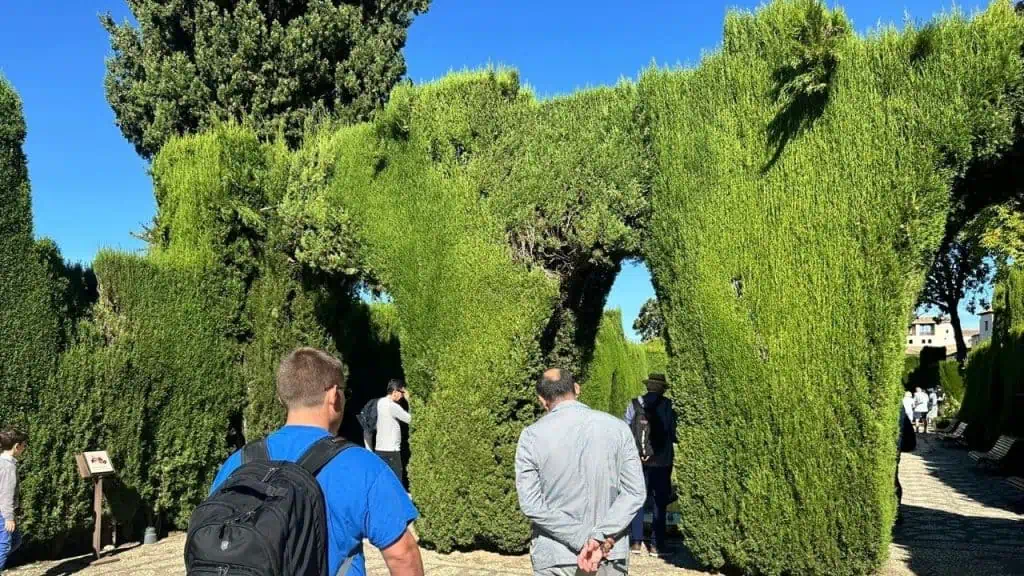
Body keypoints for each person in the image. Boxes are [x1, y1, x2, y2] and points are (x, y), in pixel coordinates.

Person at [209, 348, 423, 576]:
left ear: (283, 398)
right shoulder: (361, 466)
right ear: (333, 396)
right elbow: (402, 556)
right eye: (344, 392)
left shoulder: (237, 463)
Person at [515, 368, 646, 576]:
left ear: (542, 399)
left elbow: (531, 503)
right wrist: (599, 537)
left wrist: (582, 537)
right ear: (577, 389)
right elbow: (635, 492)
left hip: (555, 554)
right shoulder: (619, 429)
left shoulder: (531, 436)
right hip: (608, 552)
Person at [624, 373, 677, 557]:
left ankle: (636, 542)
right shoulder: (668, 405)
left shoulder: (634, 404)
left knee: (637, 498)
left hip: (638, 461)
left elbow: (626, 431)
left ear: (648, 387)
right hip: (662, 461)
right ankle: (656, 545)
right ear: (662, 388)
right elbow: (673, 432)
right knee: (659, 502)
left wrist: (639, 453)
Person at [376, 379, 411, 485]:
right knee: (396, 483)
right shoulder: (392, 406)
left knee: (383, 481)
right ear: (395, 392)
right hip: (391, 450)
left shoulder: (381, 402)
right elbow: (410, 419)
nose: (402, 396)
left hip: (380, 449)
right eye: (402, 392)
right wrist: (409, 401)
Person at [0, 430, 26, 571]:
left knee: (16, 540)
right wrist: (9, 517)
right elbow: (6, 494)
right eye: (23, 445)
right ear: (17, 446)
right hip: (3, 512)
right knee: (4, 545)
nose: (24, 448)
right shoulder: (8, 467)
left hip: (3, 510)